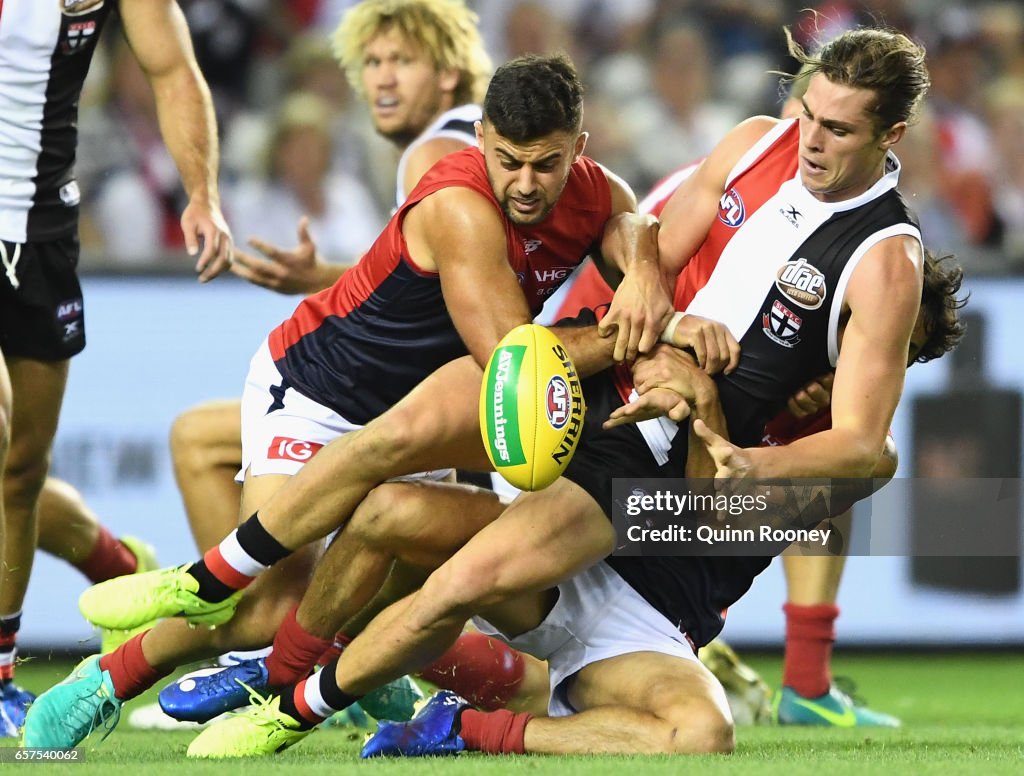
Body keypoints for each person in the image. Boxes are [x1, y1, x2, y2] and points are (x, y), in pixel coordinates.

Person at [82, 24, 939, 757]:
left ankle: (391, 708)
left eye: (836, 130)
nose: (811, 141)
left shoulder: (882, 263)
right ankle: (252, 652)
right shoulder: (759, 140)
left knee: (407, 526)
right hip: (596, 395)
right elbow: (650, 252)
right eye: (809, 115)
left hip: (649, 497)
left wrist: (733, 448)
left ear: (890, 136)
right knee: (399, 460)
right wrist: (655, 309)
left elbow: (867, 448)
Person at [23, 52, 674, 749]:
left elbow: (627, 218)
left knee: (408, 585)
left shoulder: (595, 191)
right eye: (509, 160)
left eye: (545, 165)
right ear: (481, 136)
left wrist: (644, 268)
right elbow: (515, 364)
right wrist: (633, 327)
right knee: (272, 603)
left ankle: (301, 659)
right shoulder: (457, 204)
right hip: (320, 390)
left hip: (417, 413)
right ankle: (106, 677)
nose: (524, 183)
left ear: (578, 149)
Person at [0, 0, 232, 736]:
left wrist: (203, 194)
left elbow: (172, 67)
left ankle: (114, 564)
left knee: (20, 469)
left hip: (42, 228)